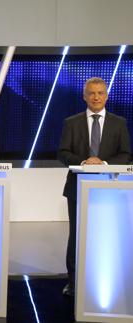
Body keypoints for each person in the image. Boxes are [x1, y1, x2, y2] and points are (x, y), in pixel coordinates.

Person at [58, 77, 131, 296]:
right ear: (84, 96)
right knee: (76, 236)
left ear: (106, 96)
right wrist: (85, 162)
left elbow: (126, 154)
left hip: (110, 189)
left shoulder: (119, 123)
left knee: (107, 235)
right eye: (91, 93)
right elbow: (62, 152)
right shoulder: (71, 122)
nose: (96, 97)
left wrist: (104, 164)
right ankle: (74, 282)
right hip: (77, 189)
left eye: (100, 93)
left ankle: (108, 279)